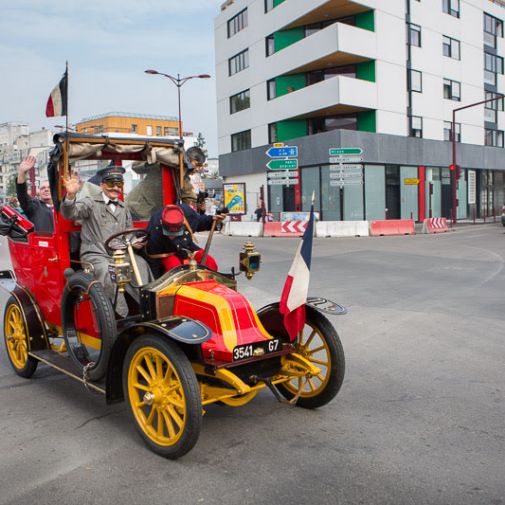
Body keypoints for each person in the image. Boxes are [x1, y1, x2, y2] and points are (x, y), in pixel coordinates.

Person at [61, 165, 151, 317]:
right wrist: (70, 195)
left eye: (119, 184)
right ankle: (117, 316)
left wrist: (133, 242)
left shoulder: (123, 207)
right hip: (95, 255)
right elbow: (70, 213)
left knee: (141, 264)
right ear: (102, 184)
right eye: (111, 183)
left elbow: (128, 233)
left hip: (120, 253)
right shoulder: (90, 202)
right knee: (110, 273)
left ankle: (147, 309)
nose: (115, 188)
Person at [146, 203, 226, 277]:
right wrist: (155, 285)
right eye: (169, 234)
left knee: (210, 263)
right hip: (166, 252)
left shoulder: (188, 214)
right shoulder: (155, 227)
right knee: (174, 268)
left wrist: (213, 220)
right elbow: (153, 260)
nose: (172, 237)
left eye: (175, 234)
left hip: (188, 248)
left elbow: (200, 221)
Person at [126, 146, 206, 219]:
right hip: (134, 207)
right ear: (191, 159)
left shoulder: (183, 178)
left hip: (150, 214)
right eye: (198, 165)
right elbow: (135, 166)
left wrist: (198, 209)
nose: (198, 169)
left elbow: (189, 198)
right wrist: (155, 161)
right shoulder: (165, 162)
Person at [16, 155, 54, 232]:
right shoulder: (35, 207)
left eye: (49, 187)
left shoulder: (62, 207)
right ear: (38, 192)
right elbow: (22, 195)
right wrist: (21, 172)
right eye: (43, 188)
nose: (46, 189)